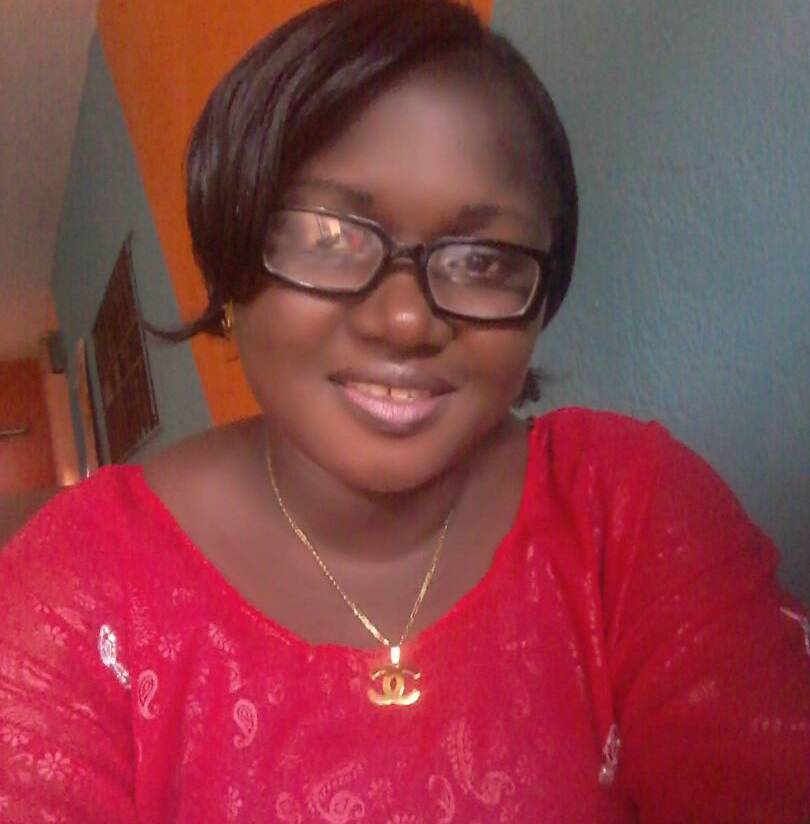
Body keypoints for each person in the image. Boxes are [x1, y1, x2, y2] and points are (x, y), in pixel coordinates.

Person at [1, 1, 808, 821]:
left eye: (482, 260)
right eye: (331, 235)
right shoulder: (77, 589)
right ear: (234, 256)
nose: (405, 319)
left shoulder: (628, 511)